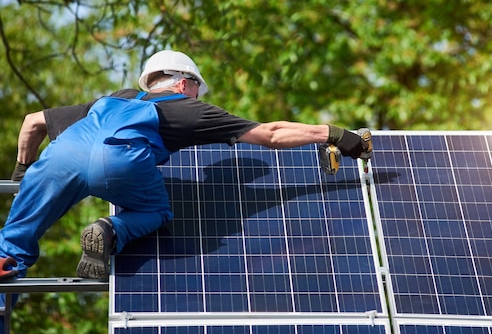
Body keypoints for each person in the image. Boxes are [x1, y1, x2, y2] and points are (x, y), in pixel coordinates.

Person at [0, 49, 369, 285]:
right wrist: (332, 133)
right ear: (183, 83)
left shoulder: (115, 98)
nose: (198, 94)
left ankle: (6, 266)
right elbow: (271, 134)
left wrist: (23, 177)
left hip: (60, 155)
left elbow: (33, 122)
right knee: (154, 210)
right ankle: (109, 230)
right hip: (120, 161)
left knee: (13, 241)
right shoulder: (190, 109)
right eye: (196, 87)